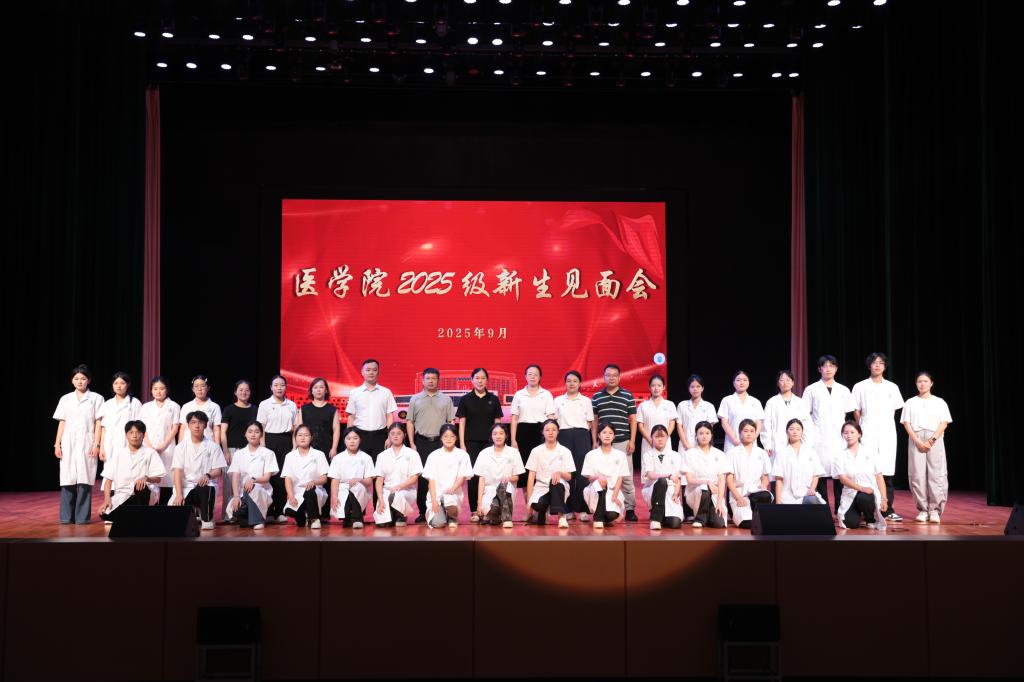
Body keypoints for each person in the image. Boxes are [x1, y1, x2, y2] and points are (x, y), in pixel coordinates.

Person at [852, 353, 905, 521]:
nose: (877, 366)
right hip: (867, 431)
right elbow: (856, 410)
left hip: (887, 432)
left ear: (885, 366)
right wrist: (861, 428)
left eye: (881, 363)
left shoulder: (892, 387)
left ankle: (887, 510)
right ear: (869, 366)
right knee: (867, 471)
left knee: (887, 472)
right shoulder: (860, 386)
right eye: (874, 363)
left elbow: (895, 408)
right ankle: (867, 510)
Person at [802, 355, 856, 515]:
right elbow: (805, 414)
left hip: (839, 437)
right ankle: (822, 509)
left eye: (831, 366)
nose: (828, 369)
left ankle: (841, 508)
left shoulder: (844, 390)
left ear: (836, 369)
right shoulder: (811, 389)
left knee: (840, 474)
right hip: (818, 437)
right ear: (819, 369)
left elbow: (847, 413)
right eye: (825, 366)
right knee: (819, 474)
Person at [52, 364, 104, 524]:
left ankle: (82, 517)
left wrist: (96, 444)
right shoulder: (66, 398)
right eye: (76, 378)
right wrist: (57, 444)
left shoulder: (96, 398)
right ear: (72, 380)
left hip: (87, 442)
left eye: (83, 378)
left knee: (84, 479)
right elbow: (62, 422)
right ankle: (66, 517)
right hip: (68, 442)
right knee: (67, 479)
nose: (80, 381)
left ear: (89, 380)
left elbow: (98, 422)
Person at [900, 371, 952, 523]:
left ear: (931, 383)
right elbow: (906, 423)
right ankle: (923, 509)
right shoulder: (910, 402)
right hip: (916, 437)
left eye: (925, 381)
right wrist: (917, 440)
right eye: (919, 381)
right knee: (917, 474)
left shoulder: (939, 402)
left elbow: (944, 423)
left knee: (937, 474)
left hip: (934, 438)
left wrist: (932, 440)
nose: (922, 384)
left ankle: (934, 510)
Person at [406, 368, 456, 523]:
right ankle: (423, 511)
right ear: (423, 380)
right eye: (428, 378)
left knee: (442, 477)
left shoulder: (446, 399)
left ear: (438, 380)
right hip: (421, 442)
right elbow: (410, 422)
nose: (431, 381)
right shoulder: (415, 399)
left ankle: (443, 509)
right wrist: (412, 443)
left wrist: (450, 444)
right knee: (423, 478)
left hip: (441, 444)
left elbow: (451, 422)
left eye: (434, 378)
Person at [591, 364, 639, 522]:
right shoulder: (597, 397)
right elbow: (595, 421)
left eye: (614, 375)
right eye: (608, 375)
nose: (611, 378)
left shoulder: (627, 395)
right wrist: (594, 441)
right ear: (603, 377)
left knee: (626, 477)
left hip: (623, 442)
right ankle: (604, 506)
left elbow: (633, 420)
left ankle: (630, 509)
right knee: (604, 475)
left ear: (619, 377)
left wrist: (632, 440)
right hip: (603, 443)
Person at [457, 368, 505, 521]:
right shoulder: (465, 399)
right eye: (477, 378)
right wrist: (462, 444)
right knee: (473, 477)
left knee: (489, 475)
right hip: (471, 443)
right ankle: (474, 511)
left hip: (490, 444)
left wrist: (498, 442)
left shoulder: (493, 399)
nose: (480, 381)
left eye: (483, 378)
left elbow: (498, 423)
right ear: (472, 380)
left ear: (487, 380)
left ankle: (492, 508)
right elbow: (462, 423)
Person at [169, 411, 227, 530]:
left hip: (205, 487)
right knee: (175, 517)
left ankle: (207, 518)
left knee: (206, 487)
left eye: (200, 422)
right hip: (186, 487)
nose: (197, 426)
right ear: (188, 425)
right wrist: (179, 495)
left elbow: (219, 470)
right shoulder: (180, 447)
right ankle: (195, 512)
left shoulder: (213, 446)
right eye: (193, 422)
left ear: (205, 425)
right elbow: (177, 472)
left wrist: (208, 475)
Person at [99, 421, 166, 522]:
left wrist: (146, 478)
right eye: (131, 432)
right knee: (104, 513)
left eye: (138, 432)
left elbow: (158, 479)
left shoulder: (150, 453)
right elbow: (108, 480)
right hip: (123, 495)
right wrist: (107, 499)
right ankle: (134, 517)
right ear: (126, 435)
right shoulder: (118, 454)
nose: (134, 435)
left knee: (139, 487)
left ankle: (137, 518)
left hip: (144, 493)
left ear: (143, 435)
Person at [510, 364, 556, 502]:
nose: (532, 377)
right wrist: (513, 440)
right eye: (529, 374)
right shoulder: (519, 394)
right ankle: (529, 507)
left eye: (535, 374)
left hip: (541, 433)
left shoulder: (546, 394)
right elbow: (514, 418)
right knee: (525, 471)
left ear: (540, 377)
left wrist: (550, 436)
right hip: (523, 434)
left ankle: (541, 506)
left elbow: (551, 417)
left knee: (541, 469)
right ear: (525, 376)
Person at [554, 370, 594, 521]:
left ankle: (583, 509)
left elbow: (591, 422)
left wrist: (593, 441)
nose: (572, 384)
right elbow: (553, 421)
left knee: (582, 474)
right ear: (565, 383)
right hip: (563, 436)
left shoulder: (586, 401)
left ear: (580, 383)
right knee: (567, 473)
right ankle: (568, 509)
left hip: (581, 436)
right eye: (569, 381)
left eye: (575, 381)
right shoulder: (557, 400)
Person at [257, 375, 298, 524]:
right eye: (276, 385)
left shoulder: (292, 405)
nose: (279, 388)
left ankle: (280, 511)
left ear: (286, 387)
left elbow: (295, 428)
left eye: (282, 385)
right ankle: (268, 511)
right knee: (269, 476)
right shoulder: (264, 404)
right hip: (269, 441)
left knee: (283, 476)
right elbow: (261, 427)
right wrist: (263, 445)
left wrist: (294, 446)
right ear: (271, 387)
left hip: (286, 441)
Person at [833, 421, 888, 529]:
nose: (849, 435)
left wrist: (884, 499)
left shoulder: (871, 453)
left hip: (868, 494)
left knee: (864, 498)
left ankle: (869, 518)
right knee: (850, 523)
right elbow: (843, 479)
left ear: (859, 434)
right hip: (850, 493)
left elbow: (879, 476)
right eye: (846, 433)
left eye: (852, 432)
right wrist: (862, 488)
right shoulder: (840, 456)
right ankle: (856, 514)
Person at [225, 421, 278, 530]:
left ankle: (258, 521)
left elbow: (266, 478)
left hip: (261, 491)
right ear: (245, 434)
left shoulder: (268, 453)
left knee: (252, 489)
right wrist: (236, 496)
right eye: (250, 432)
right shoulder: (239, 454)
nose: (253, 435)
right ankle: (254, 517)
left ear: (261, 434)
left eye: (256, 432)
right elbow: (235, 476)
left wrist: (253, 480)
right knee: (236, 510)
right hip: (243, 494)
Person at [346, 358, 398, 467]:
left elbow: (389, 416)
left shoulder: (386, 392)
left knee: (379, 467)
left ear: (378, 372)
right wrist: (349, 437)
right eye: (368, 370)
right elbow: (351, 417)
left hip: (380, 436)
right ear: (362, 372)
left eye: (374, 370)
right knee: (359, 467)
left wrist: (389, 436)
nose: (371, 372)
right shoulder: (354, 393)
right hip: (360, 435)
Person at [524, 419, 575, 528]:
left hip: (559, 487)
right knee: (538, 504)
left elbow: (569, 477)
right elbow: (531, 476)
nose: (550, 432)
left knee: (555, 482)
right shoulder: (536, 451)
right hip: (541, 488)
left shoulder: (565, 451)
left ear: (558, 432)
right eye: (547, 430)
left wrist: (560, 473)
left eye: (554, 430)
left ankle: (561, 517)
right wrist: (529, 501)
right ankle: (542, 512)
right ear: (542, 432)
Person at [219, 379, 257, 523]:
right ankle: (228, 515)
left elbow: (259, 430)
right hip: (232, 450)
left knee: (246, 482)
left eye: (247, 390)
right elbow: (223, 432)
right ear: (235, 392)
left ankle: (244, 512)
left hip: (250, 450)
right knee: (229, 484)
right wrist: (225, 451)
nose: (244, 392)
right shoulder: (229, 409)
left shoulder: (255, 409)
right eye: (240, 390)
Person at [474, 423, 525, 528]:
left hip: (507, 489)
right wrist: (479, 504)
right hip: (489, 490)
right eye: (495, 434)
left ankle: (506, 518)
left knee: (504, 486)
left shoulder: (513, 452)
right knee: (492, 509)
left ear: (506, 435)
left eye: (501, 433)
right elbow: (481, 479)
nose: (498, 436)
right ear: (491, 436)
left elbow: (517, 477)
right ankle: (496, 516)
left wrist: (509, 478)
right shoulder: (484, 453)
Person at [139, 375, 180, 505]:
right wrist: (149, 445)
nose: (158, 391)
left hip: (167, 448)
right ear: (151, 390)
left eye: (162, 388)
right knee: (150, 478)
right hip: (148, 447)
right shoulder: (146, 407)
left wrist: (163, 445)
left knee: (167, 479)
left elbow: (175, 428)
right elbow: (142, 428)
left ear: (167, 390)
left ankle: (164, 508)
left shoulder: (174, 406)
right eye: (155, 388)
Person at [581, 421, 631, 528]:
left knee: (611, 515)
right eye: (604, 432)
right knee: (600, 483)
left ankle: (604, 517)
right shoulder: (591, 455)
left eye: (610, 433)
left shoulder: (620, 455)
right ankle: (598, 518)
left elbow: (620, 477)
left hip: (612, 491)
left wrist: (615, 495)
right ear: (599, 435)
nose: (607, 435)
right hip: (595, 490)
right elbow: (589, 477)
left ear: (614, 436)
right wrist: (598, 477)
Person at [422, 424, 473, 528]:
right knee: (438, 523)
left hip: (453, 494)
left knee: (451, 502)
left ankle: (452, 517)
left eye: (452, 436)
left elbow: (461, 477)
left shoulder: (463, 455)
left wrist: (452, 489)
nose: (449, 439)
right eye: (445, 436)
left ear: (456, 438)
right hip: (436, 495)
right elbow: (431, 480)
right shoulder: (433, 455)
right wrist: (434, 501)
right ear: (441, 438)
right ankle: (441, 511)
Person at [725, 420, 773, 528]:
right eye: (746, 431)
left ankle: (760, 515)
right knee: (748, 523)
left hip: (756, 493)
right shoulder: (732, 453)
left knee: (765, 496)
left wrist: (763, 486)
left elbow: (765, 477)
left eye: (752, 431)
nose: (749, 434)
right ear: (740, 433)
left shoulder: (762, 453)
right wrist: (738, 498)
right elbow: (729, 480)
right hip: (739, 495)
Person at [373, 423, 422, 527]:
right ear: (389, 436)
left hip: (405, 491)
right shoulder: (382, 456)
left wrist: (399, 486)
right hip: (387, 491)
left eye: (399, 433)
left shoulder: (412, 454)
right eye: (392, 433)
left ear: (404, 435)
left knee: (397, 495)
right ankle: (391, 513)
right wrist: (380, 500)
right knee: (382, 524)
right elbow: (379, 480)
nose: (395, 436)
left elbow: (414, 477)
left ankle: (401, 515)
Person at [281, 424, 329, 529]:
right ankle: (303, 517)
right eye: (300, 435)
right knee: (289, 511)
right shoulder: (290, 456)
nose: (303, 438)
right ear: (295, 437)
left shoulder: (319, 454)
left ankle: (314, 519)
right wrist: (291, 495)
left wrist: (314, 482)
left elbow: (324, 478)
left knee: (310, 490)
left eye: (306, 435)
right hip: (297, 492)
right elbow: (287, 478)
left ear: (311, 438)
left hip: (314, 490)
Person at [683, 421, 730, 528]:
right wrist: (707, 482)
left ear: (711, 435)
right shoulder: (690, 454)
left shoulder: (719, 454)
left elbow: (721, 480)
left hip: (714, 494)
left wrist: (719, 503)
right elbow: (689, 480)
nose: (704, 436)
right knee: (703, 487)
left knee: (719, 524)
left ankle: (707, 515)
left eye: (707, 433)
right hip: (695, 493)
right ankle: (700, 519)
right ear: (696, 435)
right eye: (701, 433)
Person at [641, 424, 687, 530]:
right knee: (662, 481)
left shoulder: (676, 455)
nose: (660, 439)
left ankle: (663, 516)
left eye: (663, 436)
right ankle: (655, 518)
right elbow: (650, 475)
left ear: (667, 437)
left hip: (671, 491)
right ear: (652, 438)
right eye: (657, 436)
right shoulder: (648, 455)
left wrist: (676, 494)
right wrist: (668, 475)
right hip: (653, 489)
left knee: (675, 524)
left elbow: (678, 479)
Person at [772, 419, 826, 505]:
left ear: (802, 432)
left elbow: (816, 474)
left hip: (806, 495)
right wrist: (778, 502)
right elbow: (779, 479)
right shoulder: (782, 453)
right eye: (791, 429)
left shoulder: (811, 452)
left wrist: (812, 489)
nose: (795, 432)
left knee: (813, 501)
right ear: (786, 432)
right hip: (786, 497)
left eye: (798, 429)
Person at [328, 428, 374, 528]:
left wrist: (359, 480)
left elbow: (369, 481)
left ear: (360, 440)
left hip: (361, 487)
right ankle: (348, 517)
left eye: (355, 438)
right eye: (348, 438)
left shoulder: (366, 458)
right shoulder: (338, 458)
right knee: (345, 500)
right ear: (344, 440)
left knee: (357, 488)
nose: (352, 441)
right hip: (343, 488)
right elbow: (335, 480)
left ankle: (357, 518)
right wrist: (334, 497)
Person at [97, 371, 142, 465]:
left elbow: (139, 427)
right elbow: (104, 428)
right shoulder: (107, 404)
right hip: (109, 444)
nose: (119, 386)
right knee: (110, 471)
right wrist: (101, 448)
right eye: (116, 383)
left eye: (122, 383)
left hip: (127, 442)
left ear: (127, 385)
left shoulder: (134, 403)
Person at [717, 370, 765, 454]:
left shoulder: (755, 401)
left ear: (749, 382)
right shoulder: (727, 400)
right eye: (738, 380)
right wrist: (734, 439)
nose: (741, 383)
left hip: (751, 442)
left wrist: (753, 438)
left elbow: (759, 423)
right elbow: (724, 422)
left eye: (745, 380)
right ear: (733, 383)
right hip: (732, 442)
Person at [299, 377, 340, 460]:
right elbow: (299, 429)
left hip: (326, 447)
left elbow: (336, 429)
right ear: (311, 391)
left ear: (326, 390)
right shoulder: (304, 409)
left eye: (321, 387)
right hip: (308, 447)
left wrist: (334, 448)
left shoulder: (332, 409)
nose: (318, 390)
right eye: (315, 387)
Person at [676, 374, 718, 452]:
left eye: (698, 386)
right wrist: (686, 444)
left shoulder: (709, 406)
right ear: (689, 389)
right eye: (692, 387)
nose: (695, 389)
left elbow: (709, 429)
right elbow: (679, 426)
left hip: (703, 445)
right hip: (685, 445)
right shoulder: (682, 405)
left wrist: (702, 444)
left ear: (702, 388)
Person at [637, 375, 677, 457]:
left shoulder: (670, 404)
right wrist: (650, 440)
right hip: (648, 443)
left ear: (663, 387)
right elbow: (640, 426)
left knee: (665, 464)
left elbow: (672, 424)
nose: (656, 388)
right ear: (649, 387)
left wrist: (664, 438)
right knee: (648, 463)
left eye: (659, 385)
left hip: (665, 443)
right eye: (653, 385)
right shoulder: (643, 405)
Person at [178, 374, 222, 443]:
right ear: (193, 389)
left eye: (203, 386)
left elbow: (216, 430)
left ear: (208, 388)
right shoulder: (186, 406)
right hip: (188, 444)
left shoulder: (214, 407)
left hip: (208, 444)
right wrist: (180, 446)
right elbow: (182, 429)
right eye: (196, 386)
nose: (199, 389)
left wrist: (217, 447)